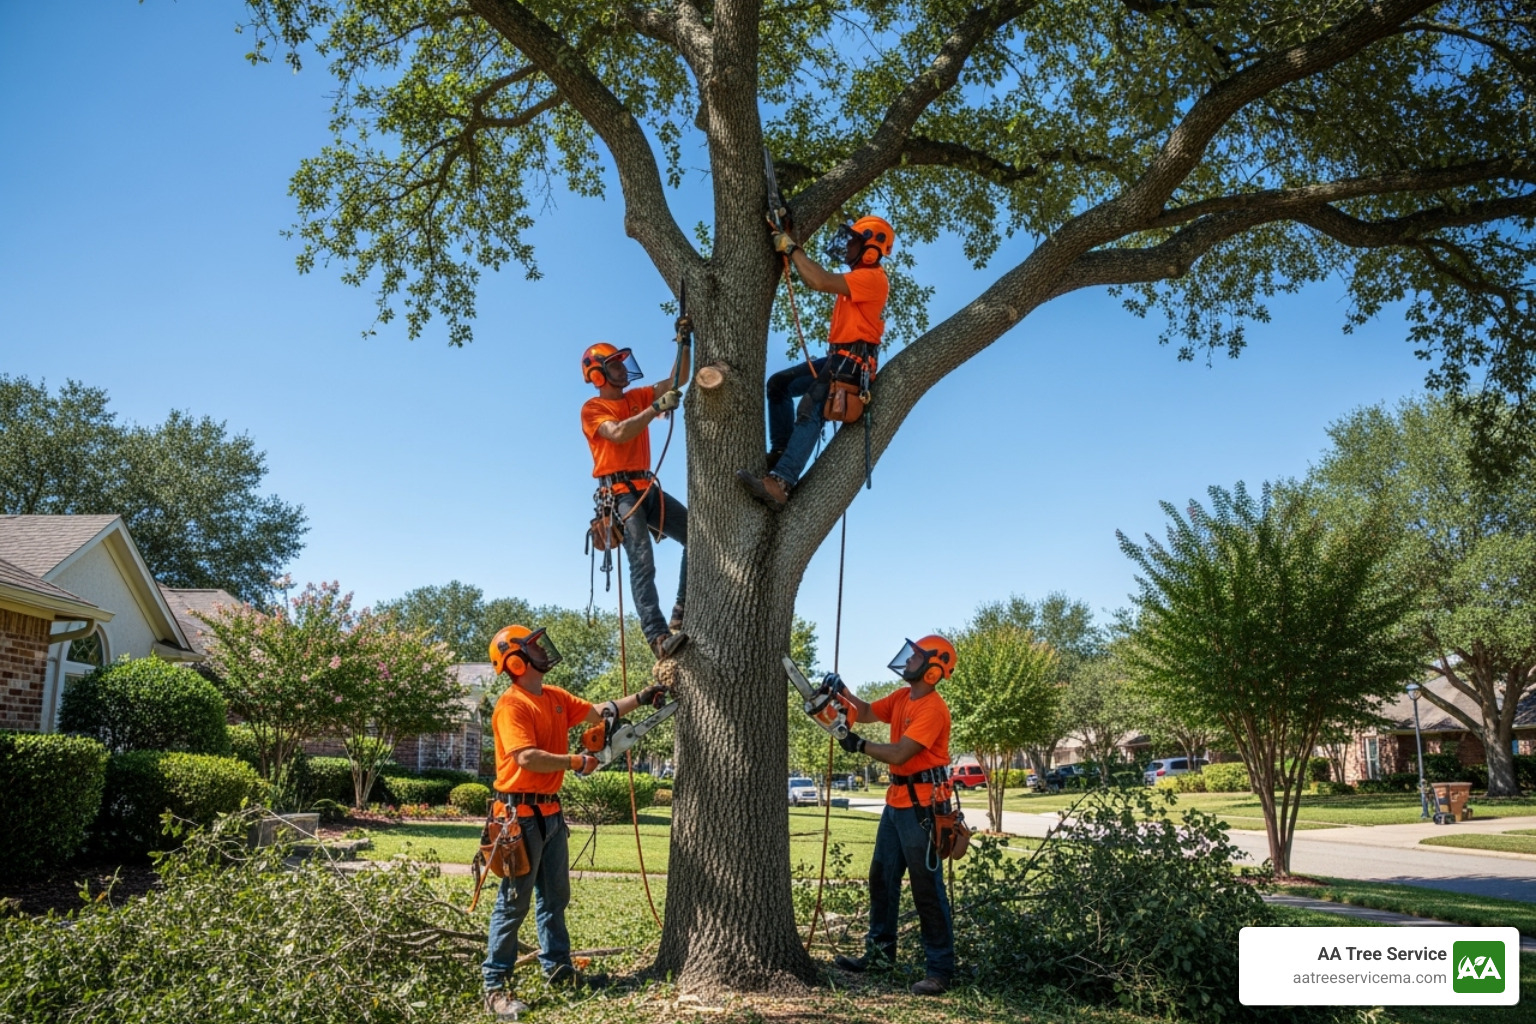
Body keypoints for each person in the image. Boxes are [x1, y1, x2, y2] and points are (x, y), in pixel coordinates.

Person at [480, 623, 671, 1019]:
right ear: (515, 661)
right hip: (517, 818)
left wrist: (642, 696)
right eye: (534, 646)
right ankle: (494, 987)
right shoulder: (512, 705)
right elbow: (526, 757)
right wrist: (575, 761)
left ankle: (559, 971)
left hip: (550, 813)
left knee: (555, 900)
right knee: (512, 904)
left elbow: (601, 711)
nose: (543, 650)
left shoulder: (554, 697)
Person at [826, 634, 957, 996]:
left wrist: (860, 745)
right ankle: (880, 956)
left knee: (926, 888)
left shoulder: (933, 709)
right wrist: (844, 692)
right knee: (881, 878)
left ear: (932, 671)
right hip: (897, 801)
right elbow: (866, 712)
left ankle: (940, 970)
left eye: (916, 656)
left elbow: (900, 754)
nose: (908, 659)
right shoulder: (901, 697)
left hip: (923, 807)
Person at [737, 215, 893, 510]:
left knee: (811, 408)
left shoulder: (872, 278)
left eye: (854, 241)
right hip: (838, 358)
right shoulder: (858, 278)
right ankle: (783, 450)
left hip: (851, 363)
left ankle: (781, 483)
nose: (847, 246)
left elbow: (818, 280)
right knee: (779, 385)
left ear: (872, 248)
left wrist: (793, 249)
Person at [581, 329, 692, 660]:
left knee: (696, 535)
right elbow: (617, 433)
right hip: (619, 495)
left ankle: (682, 610)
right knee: (642, 561)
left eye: (621, 362)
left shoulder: (637, 397)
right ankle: (658, 638)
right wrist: (654, 408)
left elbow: (678, 378)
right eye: (614, 365)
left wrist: (684, 343)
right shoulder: (593, 408)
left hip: (647, 487)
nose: (622, 369)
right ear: (598, 373)